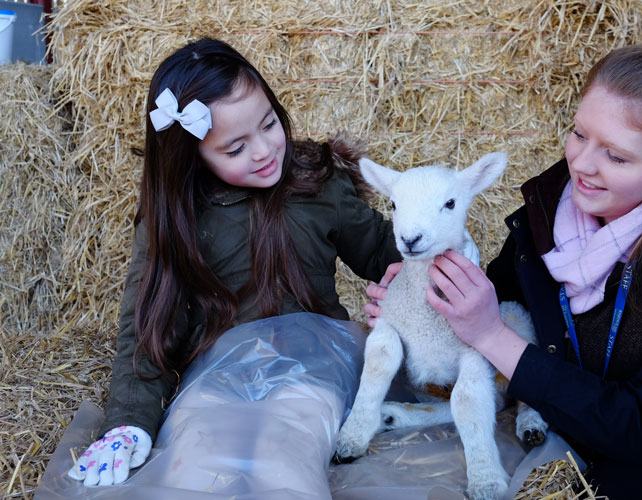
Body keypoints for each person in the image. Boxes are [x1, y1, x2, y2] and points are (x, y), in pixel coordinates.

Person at [367, 39, 642, 499]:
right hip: (568, 423)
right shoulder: (546, 210)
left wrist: (491, 334)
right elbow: (498, 301)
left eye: (616, 156)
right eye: (579, 134)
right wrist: (427, 302)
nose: (582, 165)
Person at [68, 37, 400, 487]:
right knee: (194, 463)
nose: (264, 151)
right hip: (217, 374)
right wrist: (129, 421)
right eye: (235, 148)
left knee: (286, 453)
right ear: (193, 155)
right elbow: (147, 324)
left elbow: (384, 251)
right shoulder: (176, 216)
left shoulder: (318, 183)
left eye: (268, 124)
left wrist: (423, 256)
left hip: (314, 366)